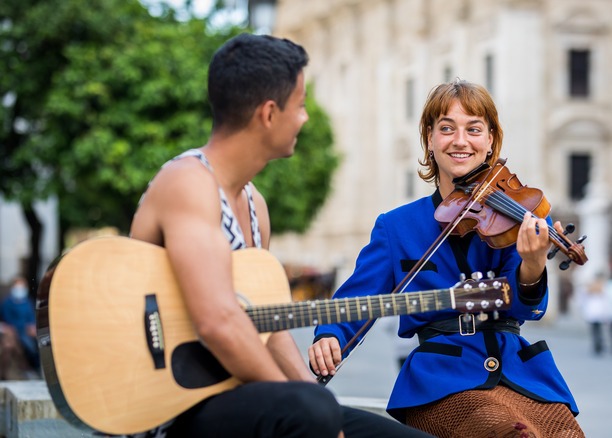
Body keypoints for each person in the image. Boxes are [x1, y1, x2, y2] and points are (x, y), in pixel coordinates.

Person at [129, 33, 433, 438]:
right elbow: (219, 322)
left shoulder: (255, 206)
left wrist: (316, 400)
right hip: (170, 408)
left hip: (235, 396)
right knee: (310, 411)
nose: (305, 118)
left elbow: (263, 326)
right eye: (301, 104)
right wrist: (310, 407)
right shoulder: (188, 182)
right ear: (269, 113)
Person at [308, 80, 583, 438]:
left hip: (522, 375)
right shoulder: (396, 227)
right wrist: (330, 334)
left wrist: (532, 265)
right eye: (447, 128)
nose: (460, 140)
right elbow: (357, 299)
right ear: (430, 138)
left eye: (474, 129)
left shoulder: (521, 216)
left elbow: (528, 309)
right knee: (508, 433)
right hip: (441, 382)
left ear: (490, 142)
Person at [0, 276, 39, 372]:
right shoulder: (6, 303)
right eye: (17, 287)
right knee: (14, 345)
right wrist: (25, 327)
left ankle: (35, 368)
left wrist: (33, 327)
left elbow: (32, 318)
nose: (20, 290)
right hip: (16, 332)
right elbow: (9, 321)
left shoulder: (28, 302)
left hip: (28, 332)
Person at [577, 272, 610, 356]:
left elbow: (583, 302)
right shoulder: (602, 291)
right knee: (599, 331)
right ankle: (600, 345)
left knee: (594, 331)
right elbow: (606, 303)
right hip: (599, 314)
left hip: (592, 314)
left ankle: (597, 346)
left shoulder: (589, 291)